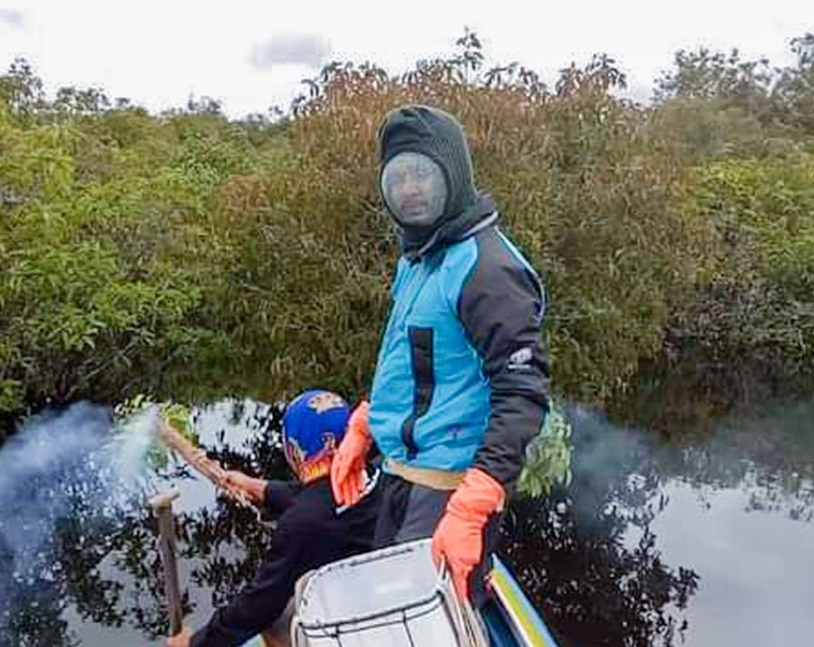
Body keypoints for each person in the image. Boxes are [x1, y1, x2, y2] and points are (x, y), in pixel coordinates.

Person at [330, 104, 550, 605]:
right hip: (402, 474)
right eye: (398, 176)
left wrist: (474, 506)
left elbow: (524, 393)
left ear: (453, 175)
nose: (409, 189)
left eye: (423, 174)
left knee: (428, 616)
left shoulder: (487, 269)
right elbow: (406, 358)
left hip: (448, 487)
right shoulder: (420, 256)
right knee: (388, 605)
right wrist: (366, 425)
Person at [167, 389, 377, 647]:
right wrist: (260, 488)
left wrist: (195, 643)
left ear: (295, 449)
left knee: (274, 622)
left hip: (347, 626)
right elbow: (323, 497)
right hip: (375, 598)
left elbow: (260, 604)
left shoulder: (302, 524)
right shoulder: (375, 475)